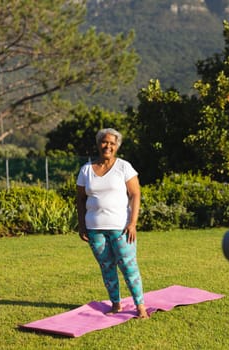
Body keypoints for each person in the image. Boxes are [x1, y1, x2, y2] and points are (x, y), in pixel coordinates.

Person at [76, 128, 149, 319]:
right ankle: (116, 304)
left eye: (112, 143)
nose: (107, 146)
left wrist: (132, 223)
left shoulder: (124, 167)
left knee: (128, 265)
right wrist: (82, 225)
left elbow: (135, 194)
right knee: (107, 267)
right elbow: (80, 200)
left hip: (121, 227)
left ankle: (140, 306)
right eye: (104, 142)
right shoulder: (86, 170)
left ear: (117, 147)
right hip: (95, 229)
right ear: (98, 144)